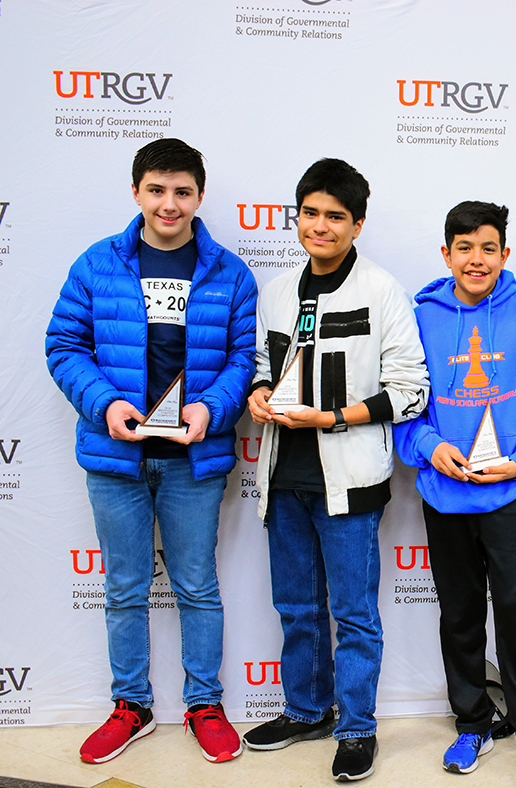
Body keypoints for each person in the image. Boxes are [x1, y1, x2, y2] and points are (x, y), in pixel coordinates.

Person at [45, 138, 257, 764]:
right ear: (136, 192)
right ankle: (131, 706)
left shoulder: (229, 273)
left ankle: (204, 705)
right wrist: (105, 405)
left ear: (199, 195)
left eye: (183, 191)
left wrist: (211, 408)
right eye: (157, 190)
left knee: (197, 585)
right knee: (125, 587)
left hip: (193, 458)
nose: (170, 204)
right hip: (118, 457)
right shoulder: (97, 265)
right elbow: (64, 346)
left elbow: (245, 360)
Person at [244, 158, 428, 782]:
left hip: (349, 481)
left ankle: (356, 728)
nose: (320, 226)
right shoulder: (274, 291)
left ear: (357, 224)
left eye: (335, 217)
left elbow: (411, 391)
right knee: (296, 608)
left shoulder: (382, 291)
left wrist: (336, 418)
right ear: (297, 216)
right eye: (311, 213)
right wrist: (259, 394)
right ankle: (305, 710)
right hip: (283, 479)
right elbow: (265, 368)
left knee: (352, 613)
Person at [394, 202, 516, 788]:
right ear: (446, 254)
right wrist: (426, 446)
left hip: (511, 497)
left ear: (505, 254)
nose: (477, 260)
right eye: (464, 248)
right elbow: (402, 404)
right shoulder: (418, 317)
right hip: (444, 494)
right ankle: (472, 722)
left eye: (488, 248)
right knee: (460, 614)